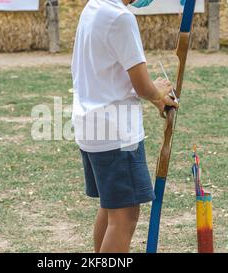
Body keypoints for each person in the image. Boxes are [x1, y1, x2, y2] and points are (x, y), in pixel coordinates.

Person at [71, 0, 179, 253]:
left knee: (112, 209)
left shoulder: (95, 6)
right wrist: (158, 91)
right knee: (125, 216)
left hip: (93, 125)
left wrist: (157, 98)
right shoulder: (121, 18)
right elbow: (143, 86)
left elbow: (112, 73)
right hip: (116, 133)